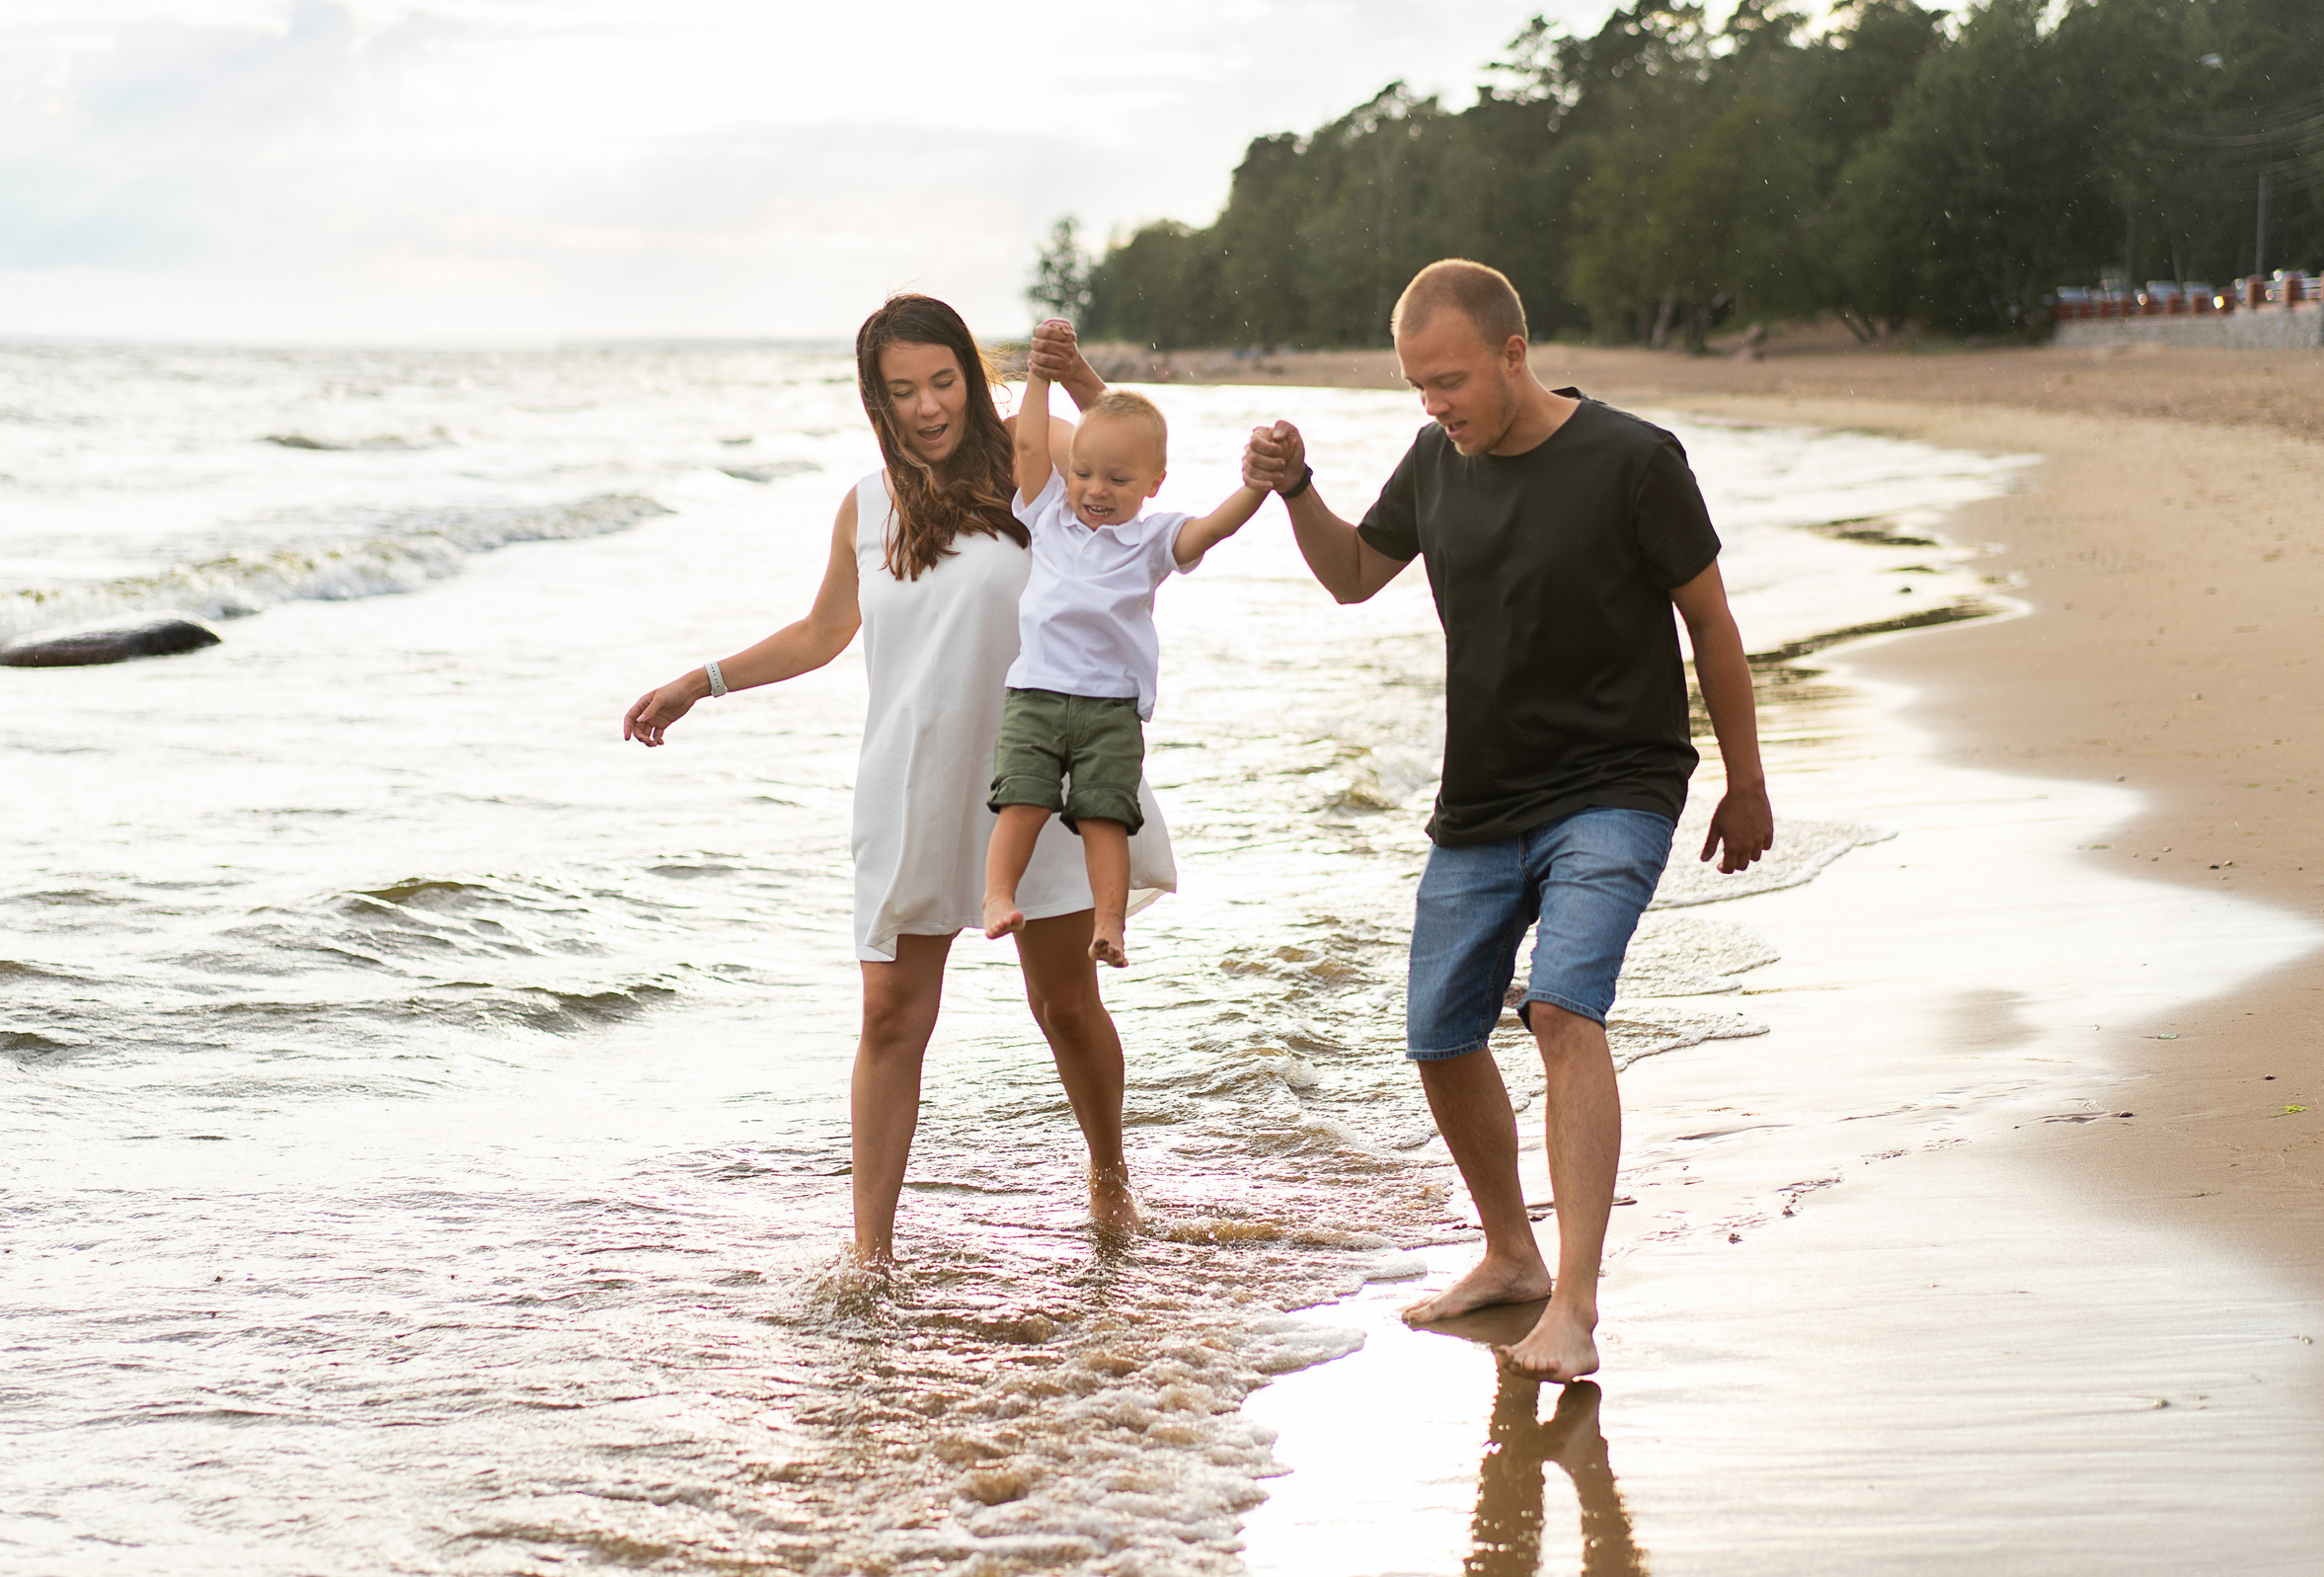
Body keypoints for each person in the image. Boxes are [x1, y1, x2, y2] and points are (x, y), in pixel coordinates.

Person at [1241, 259, 1773, 1382]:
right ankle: (1509, 1255)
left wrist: (1745, 778)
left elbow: (1712, 626)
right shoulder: (1438, 460)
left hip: (1617, 786)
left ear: (1512, 355)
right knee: (1438, 1033)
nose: (1434, 406)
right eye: (1417, 388)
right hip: (1482, 797)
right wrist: (1295, 492)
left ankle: (1573, 1307)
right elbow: (1350, 576)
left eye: (1449, 381)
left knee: (1561, 1008)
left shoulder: (1633, 460)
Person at [622, 295, 1174, 1267]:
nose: (927, 407)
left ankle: (1107, 1174)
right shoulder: (866, 504)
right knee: (888, 1016)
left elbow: (1128, 471)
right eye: (903, 390)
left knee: (1063, 1004)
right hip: (911, 780)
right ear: (877, 399)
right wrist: (697, 682)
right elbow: (821, 633)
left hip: (1031, 771)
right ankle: (870, 1256)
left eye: (944, 381)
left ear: (971, 370)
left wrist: (1079, 375)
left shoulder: (1031, 453)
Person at [981, 339, 1266, 968]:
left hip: (1110, 709)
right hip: (1035, 693)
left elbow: (1212, 528)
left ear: (1154, 483)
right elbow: (1029, 446)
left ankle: (1109, 926)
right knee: (1022, 801)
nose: (1095, 490)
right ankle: (997, 897)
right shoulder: (1046, 515)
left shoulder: (1153, 539)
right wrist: (1038, 378)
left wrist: (1258, 487)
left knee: (1105, 818)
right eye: (1083, 473)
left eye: (1118, 479)